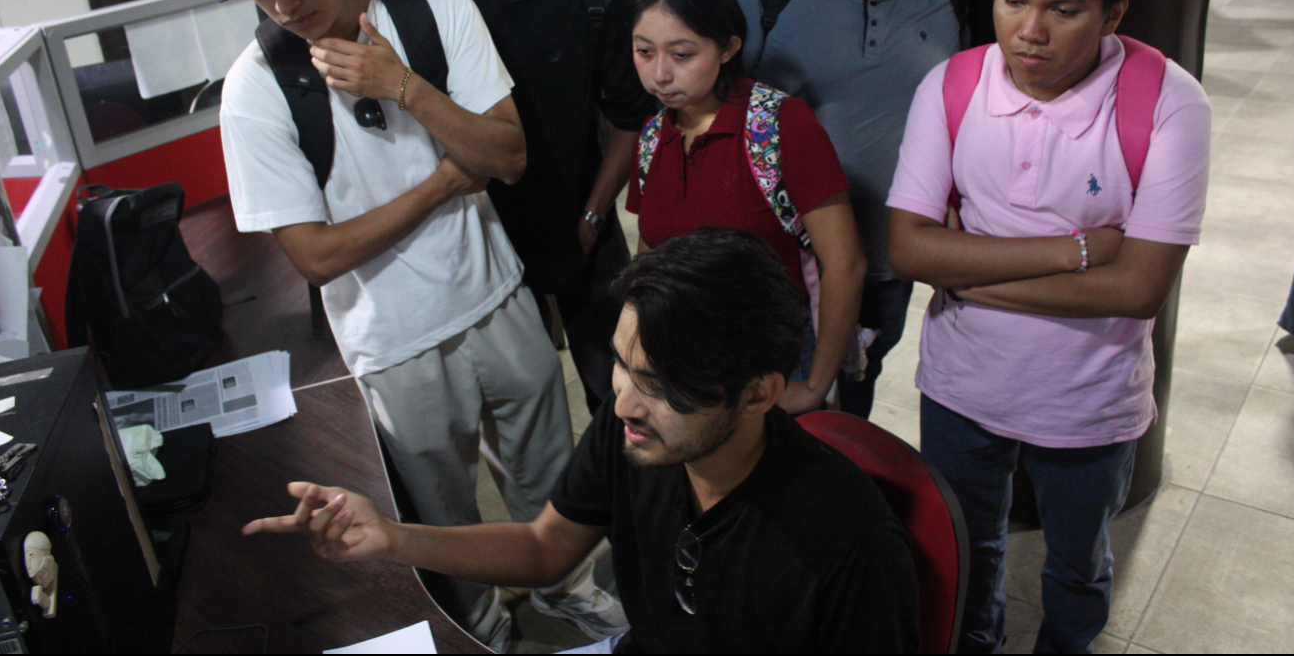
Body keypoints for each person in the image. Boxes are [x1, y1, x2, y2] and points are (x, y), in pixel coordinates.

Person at [210, 0, 621, 651]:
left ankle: (570, 592)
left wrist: (402, 86)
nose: (281, 1)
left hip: (497, 296)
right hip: (391, 342)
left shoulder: (438, 10)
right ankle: (480, 627)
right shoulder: (257, 90)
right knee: (438, 515)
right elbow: (317, 256)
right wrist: (440, 183)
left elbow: (505, 154)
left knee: (550, 475)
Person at [244, 228, 921, 654]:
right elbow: (544, 548)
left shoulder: (845, 546)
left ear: (758, 394)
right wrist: (394, 538)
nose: (621, 400)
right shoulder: (636, 436)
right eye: (622, 365)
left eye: (657, 385)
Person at [886, 0, 1212, 653]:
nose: (1027, 32)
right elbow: (907, 248)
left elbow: (1136, 291)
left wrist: (965, 270)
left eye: (1062, 10)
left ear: (1113, 14)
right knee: (968, 551)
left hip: (1088, 397)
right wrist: (1074, 250)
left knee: (1077, 565)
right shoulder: (953, 85)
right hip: (961, 385)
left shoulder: (1167, 105)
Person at [403, 0, 658, 416]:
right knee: (505, 400)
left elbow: (628, 120)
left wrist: (595, 216)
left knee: (622, 389)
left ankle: (624, 503)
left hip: (573, 214)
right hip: (469, 223)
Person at [730, 0, 965, 419]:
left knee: (855, 386)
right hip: (778, 253)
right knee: (762, 392)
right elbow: (714, 102)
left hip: (890, 252)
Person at [626, 0, 867, 416]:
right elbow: (649, 250)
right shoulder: (653, 134)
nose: (659, 75)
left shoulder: (780, 126)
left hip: (769, 365)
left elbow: (846, 263)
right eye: (644, 52)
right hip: (683, 363)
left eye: (681, 55)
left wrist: (816, 385)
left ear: (728, 47)